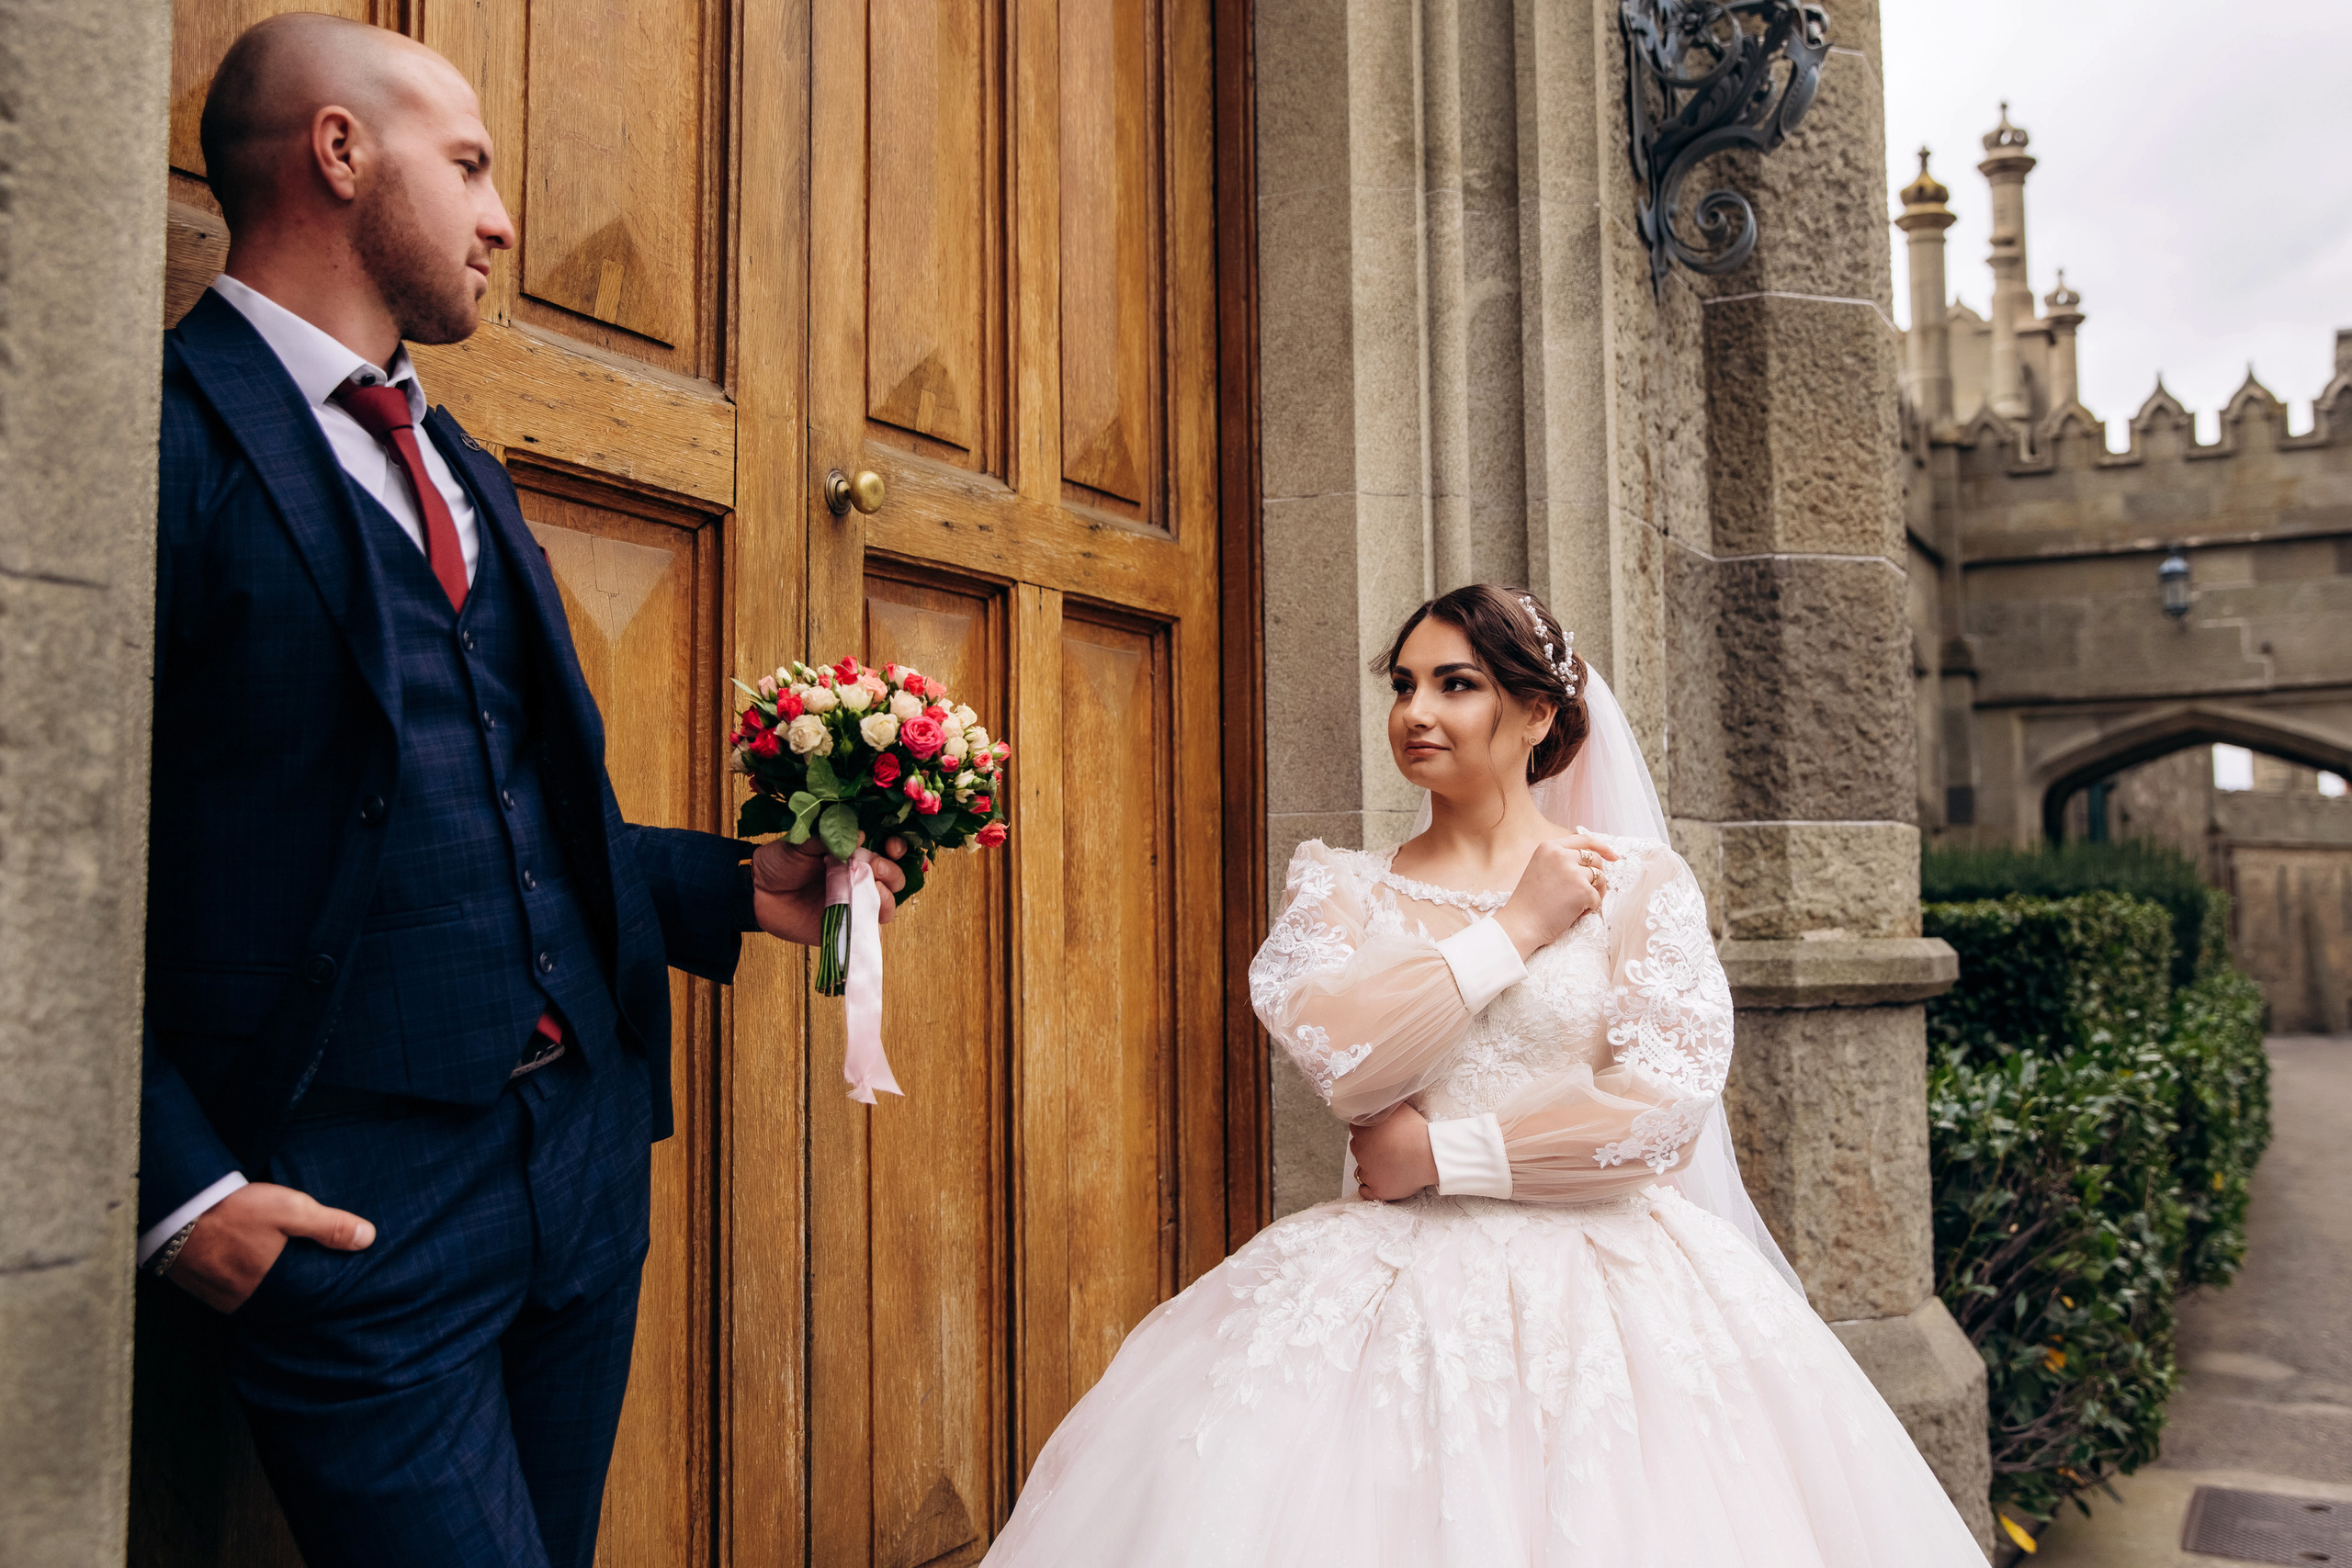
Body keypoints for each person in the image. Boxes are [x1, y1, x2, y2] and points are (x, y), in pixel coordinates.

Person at [141, 16, 901, 1567]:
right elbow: (43, 856)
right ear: (339, 154)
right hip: (351, 1212)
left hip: (576, 1170)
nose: (502, 220)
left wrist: (728, 886)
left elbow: (478, 800)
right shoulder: (163, 439)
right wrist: (174, 1190)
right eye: (472, 166)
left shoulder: (458, 458)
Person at [979, 584, 1985, 1565]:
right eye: (1403, 684)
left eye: (1454, 684)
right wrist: (1516, 928)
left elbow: (1662, 1117)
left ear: (1535, 710)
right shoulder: (1338, 890)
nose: (1416, 712)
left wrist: (1439, 1153)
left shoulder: (1635, 885)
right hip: (1386, 1295)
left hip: (1616, 1305)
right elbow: (1347, 1063)